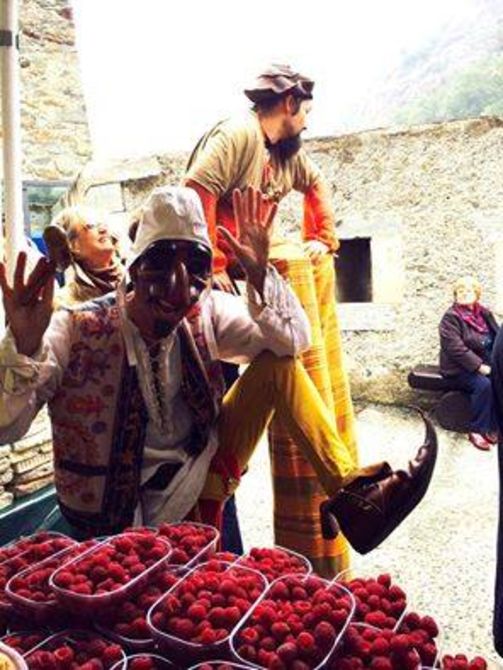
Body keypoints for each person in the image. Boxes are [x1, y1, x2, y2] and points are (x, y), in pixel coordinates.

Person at [0, 185, 436, 554]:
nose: (177, 286)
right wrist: (23, 344)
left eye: (194, 267)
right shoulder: (74, 328)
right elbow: (6, 426)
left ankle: (352, 498)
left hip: (200, 480)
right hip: (110, 520)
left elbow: (294, 342)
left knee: (278, 365)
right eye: (161, 262)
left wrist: (261, 275)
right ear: (134, 269)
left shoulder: (205, 312)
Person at [184, 64, 357, 576]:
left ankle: (349, 493)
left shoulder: (287, 156)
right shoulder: (238, 135)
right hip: (218, 289)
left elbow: (316, 182)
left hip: (249, 287)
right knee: (213, 421)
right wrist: (212, 264)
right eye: (305, 111)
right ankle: (217, 548)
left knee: (281, 362)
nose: (307, 121)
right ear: (288, 104)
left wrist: (320, 237)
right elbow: (196, 192)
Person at [439, 275, 499, 451]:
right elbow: (455, 349)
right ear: (455, 295)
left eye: (469, 290)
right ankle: (477, 430)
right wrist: (480, 367)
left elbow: (497, 336)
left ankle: (493, 424)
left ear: (477, 294)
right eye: (460, 291)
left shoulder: (484, 313)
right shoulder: (451, 318)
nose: (464, 294)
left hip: (486, 362)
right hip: (458, 368)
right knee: (484, 385)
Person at [47, 206, 124, 306]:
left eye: (102, 224)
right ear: (72, 245)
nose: (103, 230)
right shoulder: (65, 303)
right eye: (91, 226)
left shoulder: (136, 275)